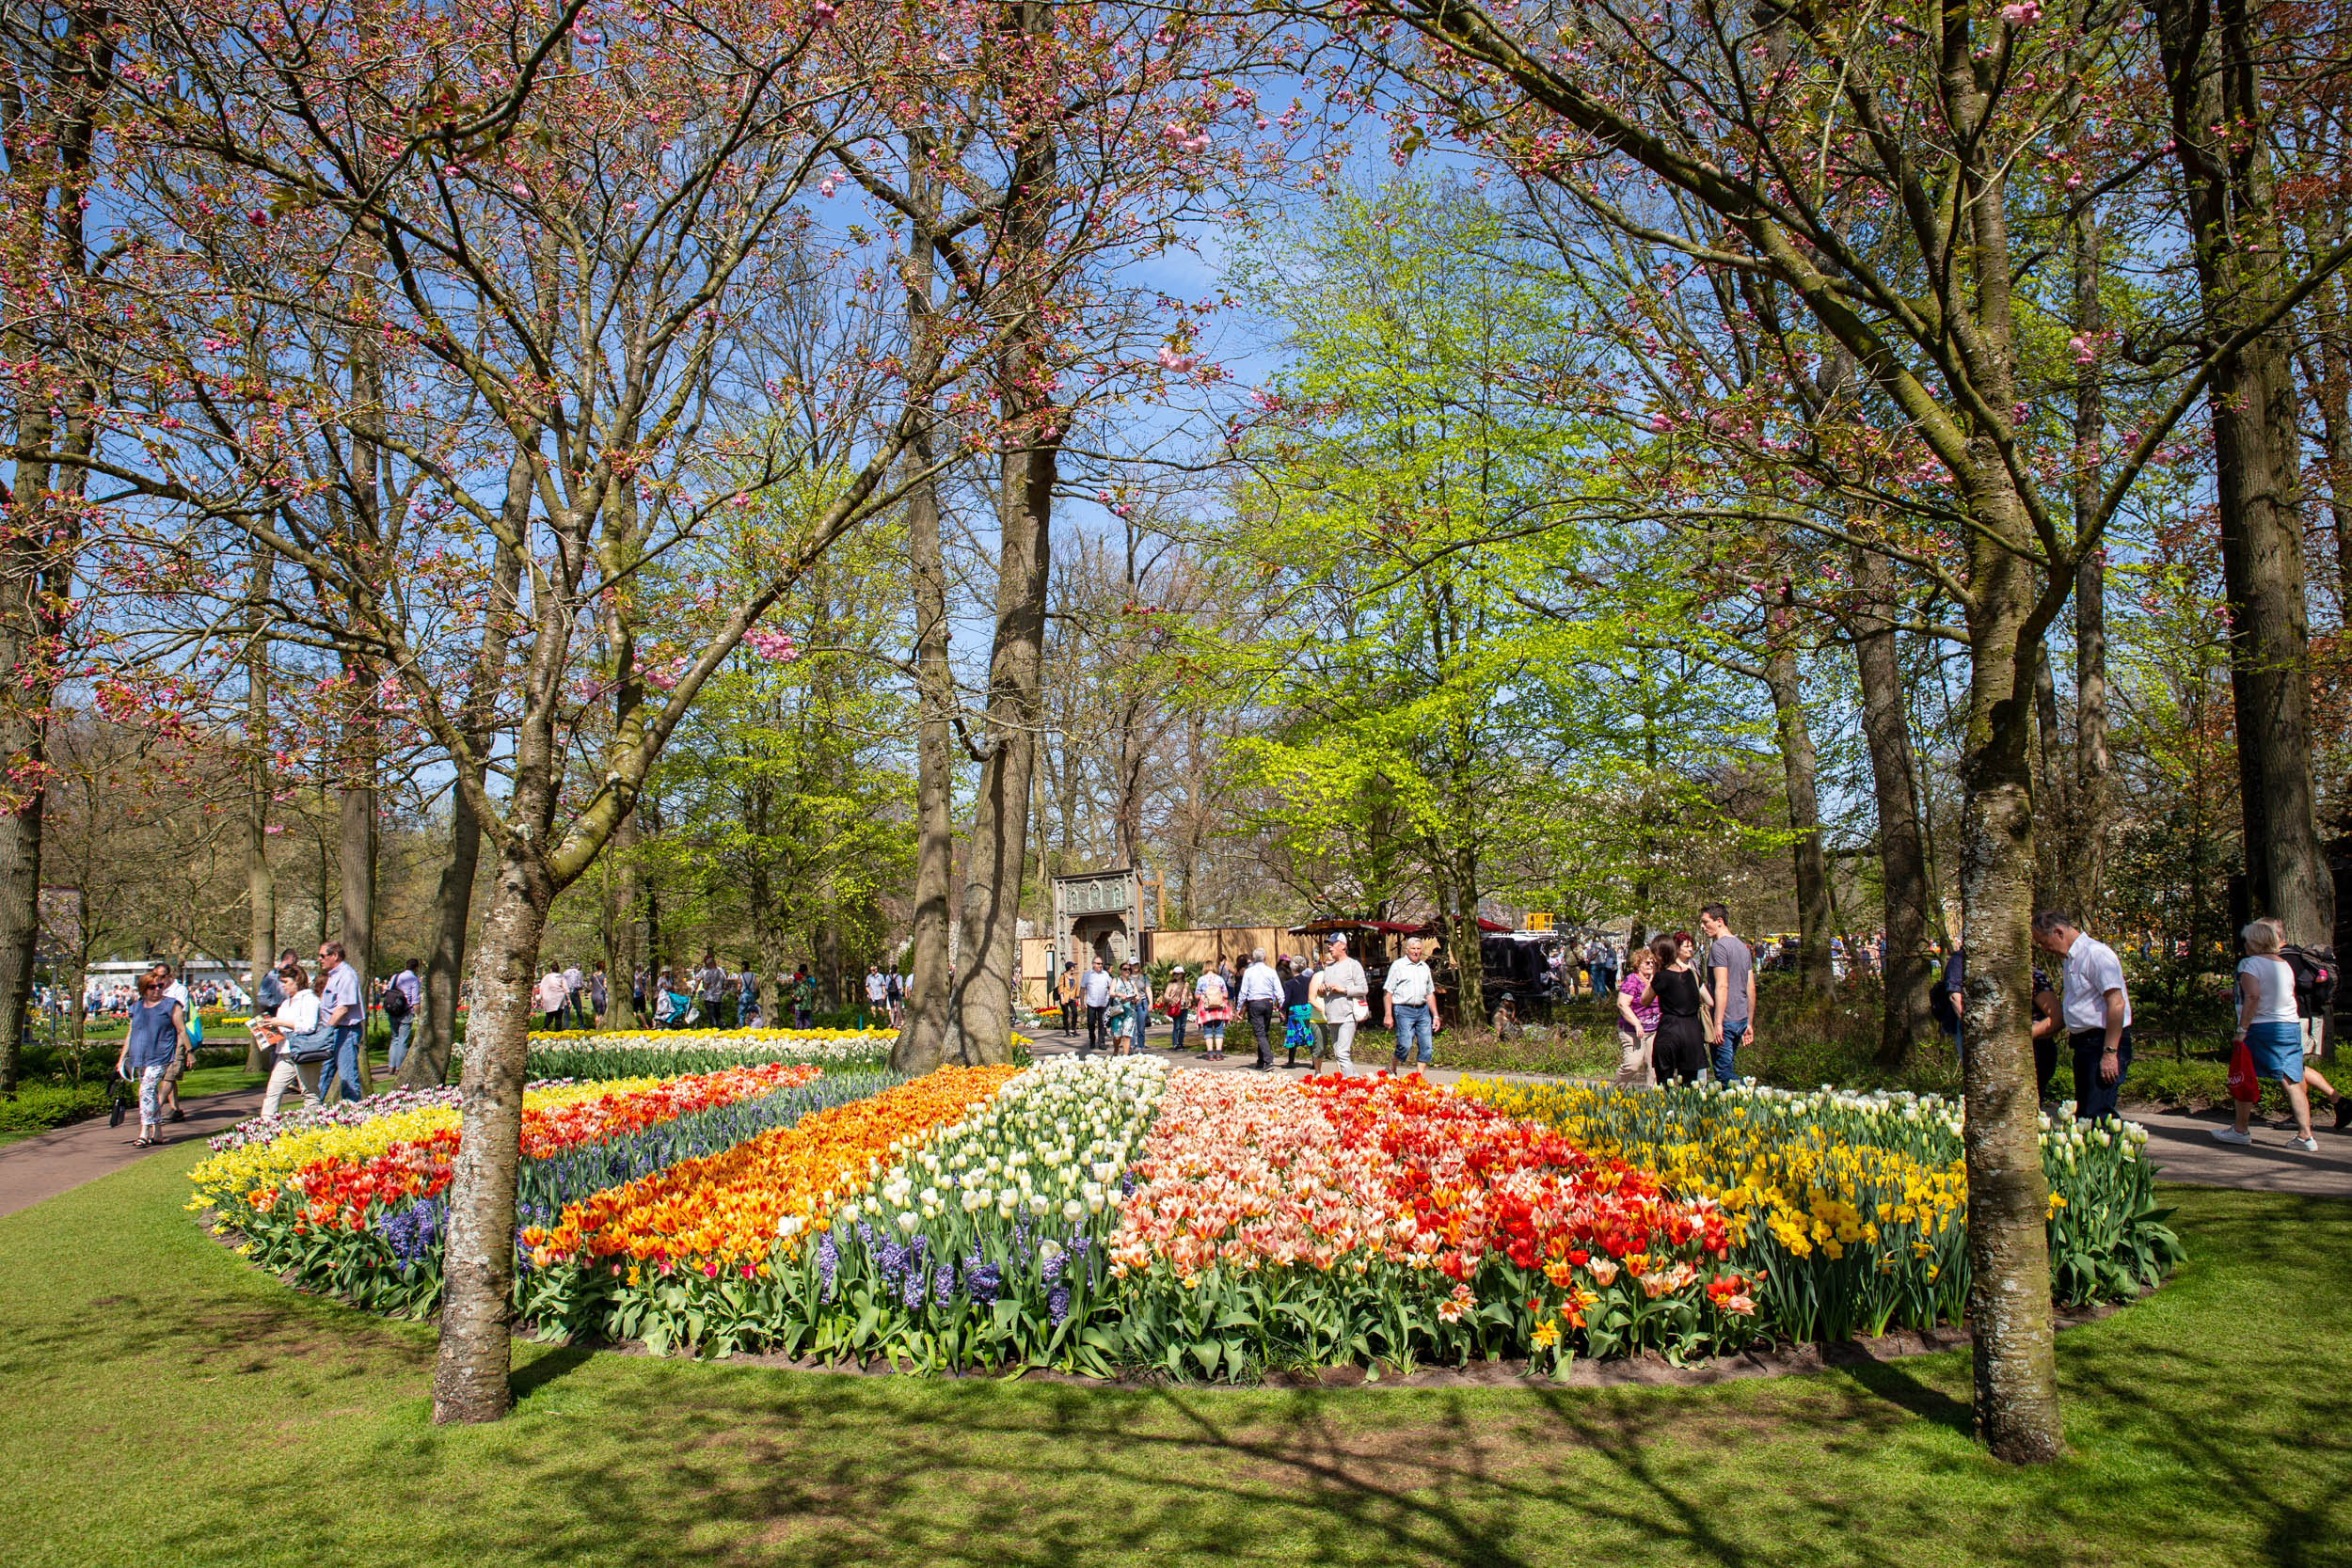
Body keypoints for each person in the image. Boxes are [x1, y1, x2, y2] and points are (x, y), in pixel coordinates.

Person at [2215, 918, 2340, 1151]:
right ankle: (2306, 1135)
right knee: (2293, 1079)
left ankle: (2240, 1130)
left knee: (2244, 1074)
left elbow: (2253, 997)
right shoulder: (2283, 963)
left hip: (2262, 1027)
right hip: (2289, 1024)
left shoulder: (2249, 964)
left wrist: (2242, 1030)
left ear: (2255, 941)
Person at [2030, 911, 2133, 1121]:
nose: (2044, 949)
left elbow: (2116, 1003)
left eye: (2043, 942)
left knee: (2099, 1113)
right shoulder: (2070, 960)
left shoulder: (2096, 954)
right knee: (2086, 1113)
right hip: (2084, 1043)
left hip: (2103, 1041)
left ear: (2058, 932)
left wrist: (2110, 1052)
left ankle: (2110, 1152)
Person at [115, 974, 188, 1148]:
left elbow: (181, 1029)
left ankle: (144, 1131)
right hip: (141, 1055)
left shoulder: (170, 1005)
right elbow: (131, 1033)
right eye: (152, 987)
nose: (157, 990)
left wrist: (188, 1051)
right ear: (143, 989)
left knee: (146, 1089)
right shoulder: (136, 1007)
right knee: (150, 1094)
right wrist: (122, 1058)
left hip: (162, 1054)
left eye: (160, 986)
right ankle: (158, 1131)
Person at [252, 961, 327, 1117]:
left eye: (286, 982)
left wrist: (279, 1022)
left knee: (309, 1093)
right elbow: (282, 1026)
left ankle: (314, 1126)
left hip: (305, 1052)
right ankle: (267, 1125)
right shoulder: (286, 1003)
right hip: (285, 1053)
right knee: (273, 1090)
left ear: (297, 981)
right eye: (281, 983)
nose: (283, 986)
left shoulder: (309, 999)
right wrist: (268, 1028)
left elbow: (308, 1026)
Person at [1640, 932, 1712, 1085]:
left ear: (1658, 956)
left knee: (1664, 1083)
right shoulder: (1692, 974)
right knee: (1690, 1085)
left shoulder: (1661, 977)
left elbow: (1644, 1000)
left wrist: (1654, 975)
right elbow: (1709, 1001)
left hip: (1670, 1030)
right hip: (1692, 1032)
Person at [1698, 905, 1754, 1085]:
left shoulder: (1719, 947)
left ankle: (1749, 1097)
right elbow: (1751, 988)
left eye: (1706, 922)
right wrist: (1749, 1022)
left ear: (1719, 921)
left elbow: (1721, 986)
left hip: (1726, 1020)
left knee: (1724, 1073)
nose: (1702, 927)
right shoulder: (1742, 947)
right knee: (1726, 1068)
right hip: (1741, 1018)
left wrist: (1718, 1022)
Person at [1308, 934, 1367, 1076]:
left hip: (1348, 1014)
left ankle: (1351, 1085)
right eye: (1328, 944)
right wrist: (1322, 990)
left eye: (1333, 944)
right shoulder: (1328, 968)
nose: (1329, 947)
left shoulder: (1353, 965)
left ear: (1343, 946)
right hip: (1331, 1016)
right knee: (1338, 1053)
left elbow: (1364, 988)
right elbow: (1325, 993)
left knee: (1342, 1052)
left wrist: (1344, 990)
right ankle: (1356, 1081)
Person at [313, 940, 365, 1105]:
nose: (320, 959)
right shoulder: (333, 976)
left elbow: (343, 1008)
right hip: (333, 1031)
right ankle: (313, 1114)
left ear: (334, 955)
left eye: (323, 956)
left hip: (345, 1032)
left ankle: (353, 1116)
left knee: (347, 1078)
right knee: (323, 1075)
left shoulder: (347, 975)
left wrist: (326, 1031)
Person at [1385, 935, 1438, 1071]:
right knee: (1405, 1044)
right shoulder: (1398, 966)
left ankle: (1419, 1078)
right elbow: (1388, 992)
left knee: (1426, 1045)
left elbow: (1430, 993)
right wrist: (1388, 1015)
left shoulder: (1424, 967)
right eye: (1413, 948)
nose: (1416, 951)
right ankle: (1392, 1067)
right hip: (1403, 1010)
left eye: (1419, 949)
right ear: (1407, 950)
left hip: (1423, 1010)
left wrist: (1435, 1016)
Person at [1614, 943, 1661, 1087]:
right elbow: (1622, 1004)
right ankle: (1615, 1090)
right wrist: (1636, 1023)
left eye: (1653, 962)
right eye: (1647, 962)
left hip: (1654, 1030)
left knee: (1654, 1067)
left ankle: (1651, 1098)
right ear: (1638, 964)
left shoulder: (1656, 979)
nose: (1651, 964)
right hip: (1632, 1030)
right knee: (1633, 1064)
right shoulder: (1632, 980)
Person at [1237, 946, 1283, 1070]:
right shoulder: (1271, 971)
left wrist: (1239, 1008)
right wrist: (1282, 1007)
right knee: (1264, 1032)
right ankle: (1260, 1061)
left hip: (1255, 1003)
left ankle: (1268, 1060)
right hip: (1268, 1003)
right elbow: (1279, 990)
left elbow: (1243, 991)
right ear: (1265, 958)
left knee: (1260, 1033)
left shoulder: (1248, 972)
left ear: (1253, 959)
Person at [383, 958, 421, 1072]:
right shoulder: (414, 979)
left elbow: (389, 992)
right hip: (406, 1012)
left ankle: (391, 1066)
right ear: (416, 968)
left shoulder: (395, 977)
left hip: (393, 1011)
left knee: (394, 1038)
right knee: (402, 1040)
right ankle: (399, 1067)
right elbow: (415, 1000)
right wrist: (419, 1015)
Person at [1279, 957, 1315, 1069]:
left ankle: (1291, 1061)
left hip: (1295, 1011)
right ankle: (1315, 1062)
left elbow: (1288, 999)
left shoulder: (1289, 983)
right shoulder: (1309, 981)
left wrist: (1283, 1010)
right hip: (1307, 1009)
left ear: (1292, 967)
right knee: (1309, 1034)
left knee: (1293, 1035)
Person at [1194, 962, 1232, 1059]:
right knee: (1219, 1029)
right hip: (1219, 1007)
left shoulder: (1201, 979)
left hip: (1206, 1008)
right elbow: (1226, 994)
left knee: (1208, 1030)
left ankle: (1210, 1054)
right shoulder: (1220, 979)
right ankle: (1219, 1054)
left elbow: (1197, 995)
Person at [1108, 961, 1144, 1055]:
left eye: (1129, 969)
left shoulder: (1132, 983)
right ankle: (1116, 1050)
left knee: (1127, 1036)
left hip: (1130, 1012)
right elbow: (1111, 993)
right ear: (1121, 971)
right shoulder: (1115, 980)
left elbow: (1137, 995)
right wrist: (1119, 994)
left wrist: (1135, 999)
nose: (1127, 971)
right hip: (1118, 1011)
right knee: (1117, 1037)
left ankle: (1125, 1057)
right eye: (1125, 969)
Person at [1081, 957, 1112, 1054]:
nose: (1100, 966)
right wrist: (1082, 1003)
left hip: (1103, 1003)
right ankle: (1092, 1038)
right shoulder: (1087, 975)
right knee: (1091, 1023)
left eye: (1101, 964)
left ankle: (1101, 1042)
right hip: (1092, 1003)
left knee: (1102, 1024)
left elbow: (1111, 986)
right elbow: (1082, 988)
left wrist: (1110, 998)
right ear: (1093, 964)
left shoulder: (1105, 974)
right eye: (1098, 964)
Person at [1160, 965, 1192, 1053]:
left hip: (1184, 1007)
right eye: (1175, 974)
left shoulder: (1186, 984)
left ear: (1182, 974)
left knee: (1183, 1027)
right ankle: (1175, 1044)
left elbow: (1190, 995)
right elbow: (1166, 995)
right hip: (1175, 1007)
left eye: (1178, 974)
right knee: (1176, 1026)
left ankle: (1180, 1043)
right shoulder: (1171, 984)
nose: (1176, 975)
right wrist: (1171, 999)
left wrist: (1189, 1000)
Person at [535, 962, 570, 1030]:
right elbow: (566, 989)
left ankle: (545, 1027)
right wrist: (568, 999)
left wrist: (541, 998)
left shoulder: (546, 977)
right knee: (558, 1016)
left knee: (549, 1015)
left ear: (550, 969)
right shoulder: (561, 977)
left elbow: (541, 988)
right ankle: (557, 1031)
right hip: (559, 998)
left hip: (548, 998)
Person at [697, 953, 726, 1024]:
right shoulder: (721, 971)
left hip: (709, 997)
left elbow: (706, 986)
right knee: (718, 1015)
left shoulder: (709, 973)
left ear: (709, 964)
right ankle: (720, 1028)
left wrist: (704, 984)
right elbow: (725, 983)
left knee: (712, 1016)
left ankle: (713, 1030)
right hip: (718, 996)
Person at [1589, 935, 1617, 1005]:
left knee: (1595, 982)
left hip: (1596, 965)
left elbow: (1590, 957)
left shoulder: (1593, 947)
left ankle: (1596, 998)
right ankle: (1603, 997)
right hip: (1602, 964)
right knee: (1601, 981)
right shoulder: (1602, 948)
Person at [1056, 962, 1079, 1035]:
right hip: (1065, 997)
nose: (1074, 967)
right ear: (1069, 967)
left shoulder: (1074, 977)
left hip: (1072, 998)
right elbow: (1060, 987)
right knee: (1065, 1014)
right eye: (1073, 966)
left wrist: (1078, 998)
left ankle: (1073, 1029)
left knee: (1075, 1013)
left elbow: (1076, 988)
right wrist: (1062, 997)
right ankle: (1067, 1031)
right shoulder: (1063, 976)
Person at [865, 964, 890, 1028]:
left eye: (873, 970)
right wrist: (870, 994)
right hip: (872, 995)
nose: (872, 971)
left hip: (879, 995)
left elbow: (883, 985)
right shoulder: (869, 977)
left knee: (880, 1009)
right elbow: (866, 986)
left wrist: (884, 993)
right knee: (872, 1009)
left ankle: (884, 1019)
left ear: (876, 970)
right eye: (871, 970)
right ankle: (875, 1020)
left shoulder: (881, 976)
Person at [590, 960, 610, 1028]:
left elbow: (590, 985)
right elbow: (605, 985)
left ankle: (597, 1026)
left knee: (597, 1013)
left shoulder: (593, 975)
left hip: (593, 995)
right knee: (601, 1013)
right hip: (601, 995)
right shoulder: (603, 976)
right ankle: (600, 1027)